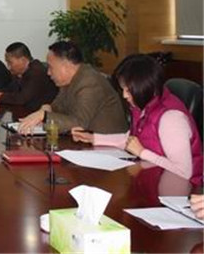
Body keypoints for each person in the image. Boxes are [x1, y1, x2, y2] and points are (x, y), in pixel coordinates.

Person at [72, 54, 203, 183]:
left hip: (182, 190)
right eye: (123, 89)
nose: (124, 95)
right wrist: (94, 138)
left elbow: (184, 172)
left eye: (128, 90)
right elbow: (132, 141)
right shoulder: (144, 105)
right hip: (154, 179)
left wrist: (142, 152)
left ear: (144, 86)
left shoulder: (171, 119)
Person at [19, 41, 127, 134]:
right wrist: (46, 108)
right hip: (86, 142)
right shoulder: (68, 81)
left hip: (108, 146)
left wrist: (45, 116)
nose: (48, 73)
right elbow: (57, 107)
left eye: (51, 67)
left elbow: (79, 123)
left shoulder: (89, 83)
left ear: (65, 66)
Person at [0, 42, 58, 112]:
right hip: (26, 112)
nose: (8, 67)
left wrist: (0, 97)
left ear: (23, 60)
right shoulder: (19, 72)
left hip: (42, 115)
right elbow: (10, 89)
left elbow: (22, 99)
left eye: (10, 63)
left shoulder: (37, 72)